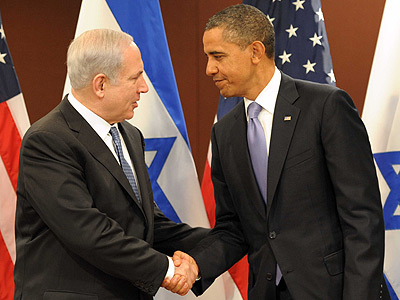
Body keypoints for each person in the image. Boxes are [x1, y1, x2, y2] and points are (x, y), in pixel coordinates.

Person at [167, 4, 389, 300]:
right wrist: (196, 264)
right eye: (207, 57)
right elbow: (233, 228)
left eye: (218, 56)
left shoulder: (325, 108)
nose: (209, 69)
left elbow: (362, 218)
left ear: (256, 52)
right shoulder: (225, 133)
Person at [14, 28, 203, 300]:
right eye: (136, 77)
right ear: (100, 84)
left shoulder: (129, 134)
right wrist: (168, 271)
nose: (144, 87)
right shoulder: (48, 140)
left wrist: (218, 243)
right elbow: (87, 231)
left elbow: (144, 222)